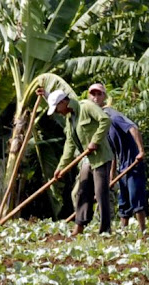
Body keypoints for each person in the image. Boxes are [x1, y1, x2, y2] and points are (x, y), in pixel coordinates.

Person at [38, 88, 113, 235]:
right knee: (82, 190)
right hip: (87, 159)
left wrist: (95, 141)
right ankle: (79, 225)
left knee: (100, 193)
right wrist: (61, 167)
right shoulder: (69, 118)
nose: (57, 112)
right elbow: (70, 144)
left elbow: (105, 120)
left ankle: (105, 230)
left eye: (57, 108)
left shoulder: (86, 106)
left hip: (101, 157)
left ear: (64, 102)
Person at [88, 83, 147, 232]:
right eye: (93, 94)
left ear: (104, 97)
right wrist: (111, 175)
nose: (95, 98)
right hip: (122, 165)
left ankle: (143, 230)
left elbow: (133, 128)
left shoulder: (112, 115)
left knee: (135, 197)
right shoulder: (101, 122)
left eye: (99, 94)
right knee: (124, 200)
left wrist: (140, 151)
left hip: (133, 161)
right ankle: (123, 230)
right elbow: (112, 152)